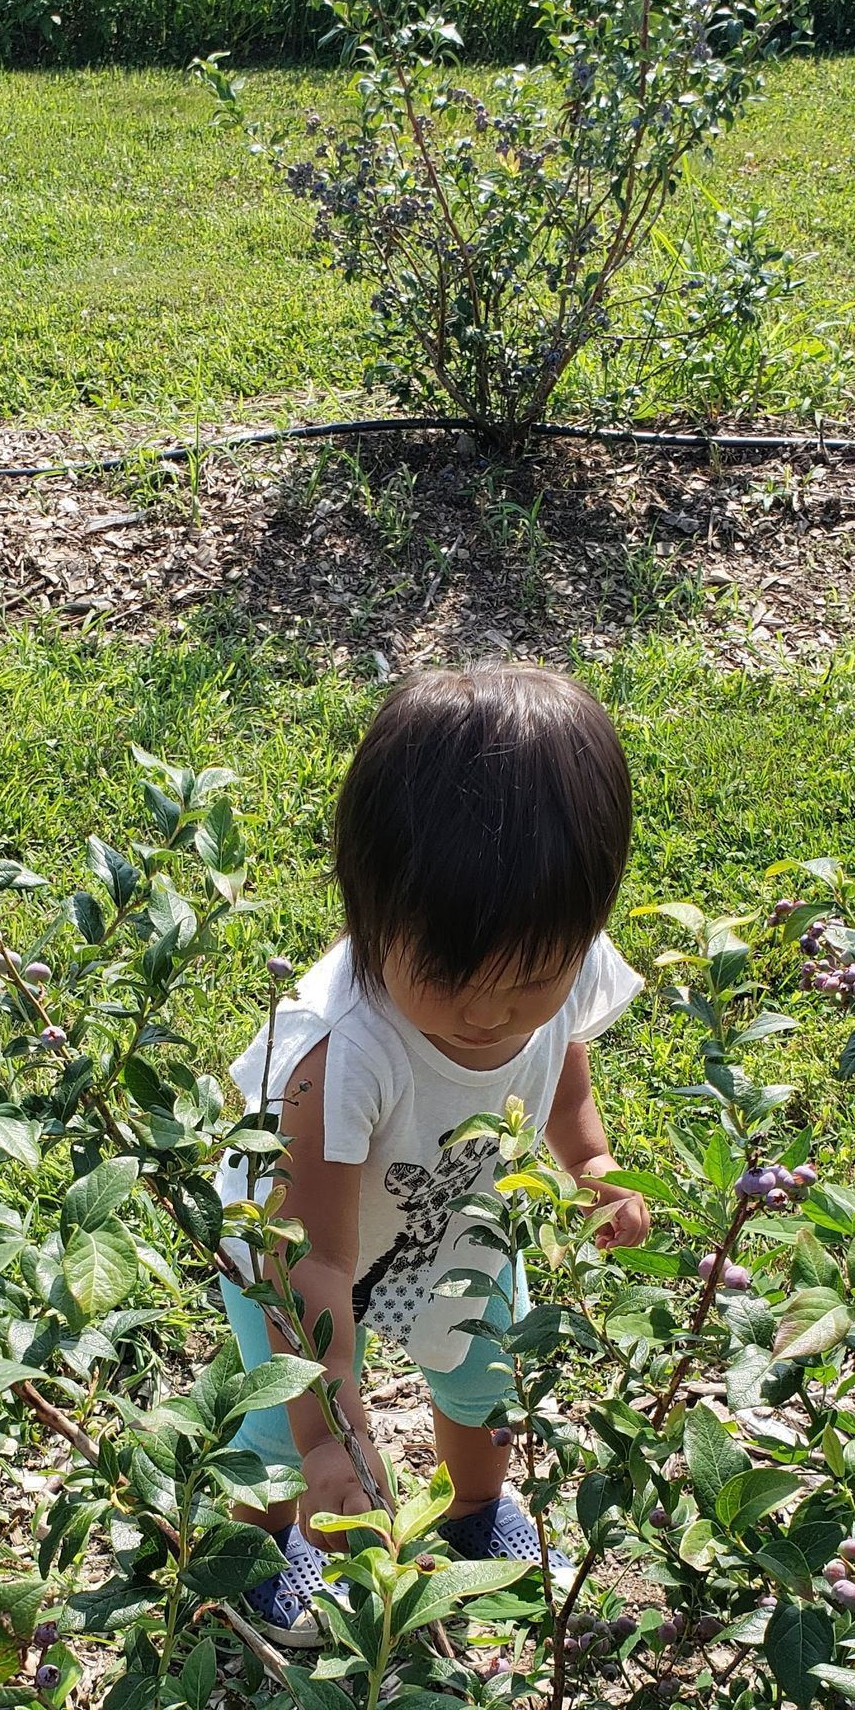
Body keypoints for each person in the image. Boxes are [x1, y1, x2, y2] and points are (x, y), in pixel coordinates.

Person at [215, 663, 651, 1641]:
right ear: (374, 919)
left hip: (454, 1217)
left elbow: (562, 1064)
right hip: (295, 1245)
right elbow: (311, 1260)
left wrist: (589, 1163)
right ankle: (255, 1542)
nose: (492, 1012)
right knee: (272, 1428)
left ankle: (472, 1511)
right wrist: (333, 1431)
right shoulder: (340, 1058)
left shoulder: (562, 966)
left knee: (485, 1377)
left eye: (532, 978)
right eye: (453, 978)